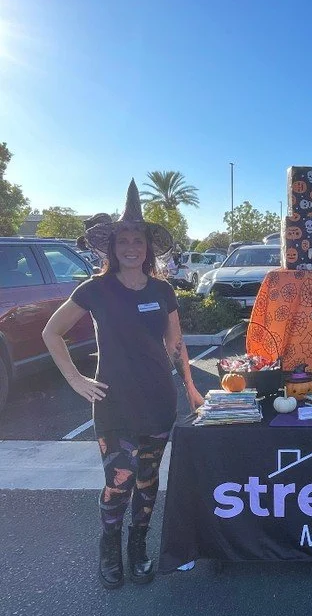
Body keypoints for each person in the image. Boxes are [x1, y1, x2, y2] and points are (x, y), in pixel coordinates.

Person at [43, 180, 204, 590]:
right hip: (114, 405)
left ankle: (138, 548)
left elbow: (175, 341)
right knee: (119, 485)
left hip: (158, 403)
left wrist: (188, 385)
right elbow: (51, 332)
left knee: (148, 485)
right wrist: (77, 380)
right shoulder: (95, 289)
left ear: (148, 248)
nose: (131, 246)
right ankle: (109, 549)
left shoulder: (162, 289)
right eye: (123, 240)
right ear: (111, 248)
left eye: (138, 240)